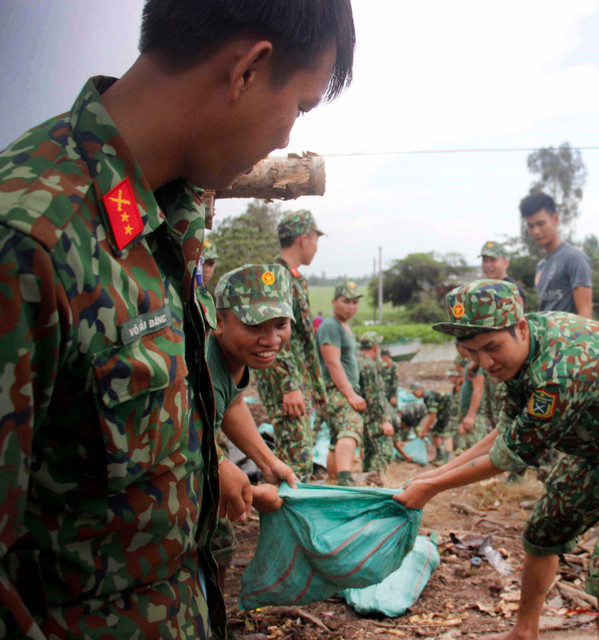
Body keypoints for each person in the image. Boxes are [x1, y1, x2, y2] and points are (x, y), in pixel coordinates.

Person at [0, 0, 355, 636]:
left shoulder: (166, 217)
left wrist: (204, 469)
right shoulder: (29, 240)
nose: (284, 140)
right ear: (248, 69)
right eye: (298, 109)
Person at [396, 280, 599, 640]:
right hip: (595, 448)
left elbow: (510, 455)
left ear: (520, 328)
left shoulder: (563, 367)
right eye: (471, 352)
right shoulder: (519, 349)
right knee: (543, 532)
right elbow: (507, 429)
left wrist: (431, 488)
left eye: (491, 348)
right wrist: (435, 473)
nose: (486, 363)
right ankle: (525, 632)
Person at [208, 264, 299, 589]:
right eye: (254, 325)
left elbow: (232, 404)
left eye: (280, 324)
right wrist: (246, 488)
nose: (271, 339)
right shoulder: (200, 363)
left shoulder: (234, 358)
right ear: (218, 321)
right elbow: (177, 441)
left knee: (218, 543)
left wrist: (267, 462)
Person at [256, 209, 329, 483]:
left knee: (296, 455)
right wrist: (289, 386)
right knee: (296, 460)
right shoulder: (277, 277)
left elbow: (303, 339)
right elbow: (273, 334)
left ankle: (284, 519)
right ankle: (288, 522)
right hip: (286, 383)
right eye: (316, 240)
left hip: (298, 381)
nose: (316, 248)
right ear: (304, 238)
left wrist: (315, 386)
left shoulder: (293, 276)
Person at [317, 280, 366, 485]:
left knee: (336, 438)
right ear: (334, 301)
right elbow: (331, 362)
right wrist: (350, 394)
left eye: (355, 302)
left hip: (341, 388)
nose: (351, 306)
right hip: (336, 388)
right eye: (346, 301)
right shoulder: (330, 325)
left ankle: (333, 479)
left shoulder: (344, 325)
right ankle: (345, 480)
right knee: (351, 426)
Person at [520, 193, 593, 317]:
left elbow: (585, 314)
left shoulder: (574, 257)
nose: (536, 231)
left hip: (568, 335)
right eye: (531, 226)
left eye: (541, 224)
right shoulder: (541, 266)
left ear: (555, 219)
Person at [356, 331, 395, 480]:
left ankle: (367, 482)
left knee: (369, 451)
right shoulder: (369, 365)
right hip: (374, 416)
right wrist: (384, 420)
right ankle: (377, 480)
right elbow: (375, 395)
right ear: (375, 347)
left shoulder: (356, 361)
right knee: (384, 450)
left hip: (361, 415)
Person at [411, 381, 456, 465]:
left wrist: (424, 430)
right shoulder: (426, 397)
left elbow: (432, 415)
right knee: (435, 432)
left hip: (450, 411)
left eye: (414, 392)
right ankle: (439, 455)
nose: (414, 394)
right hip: (442, 413)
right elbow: (429, 414)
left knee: (447, 434)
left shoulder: (428, 395)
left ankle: (446, 460)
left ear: (420, 390)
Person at [480, 239, 527, 307]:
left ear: (506, 263)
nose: (488, 265)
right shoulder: (482, 288)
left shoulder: (512, 289)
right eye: (485, 260)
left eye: (493, 260)